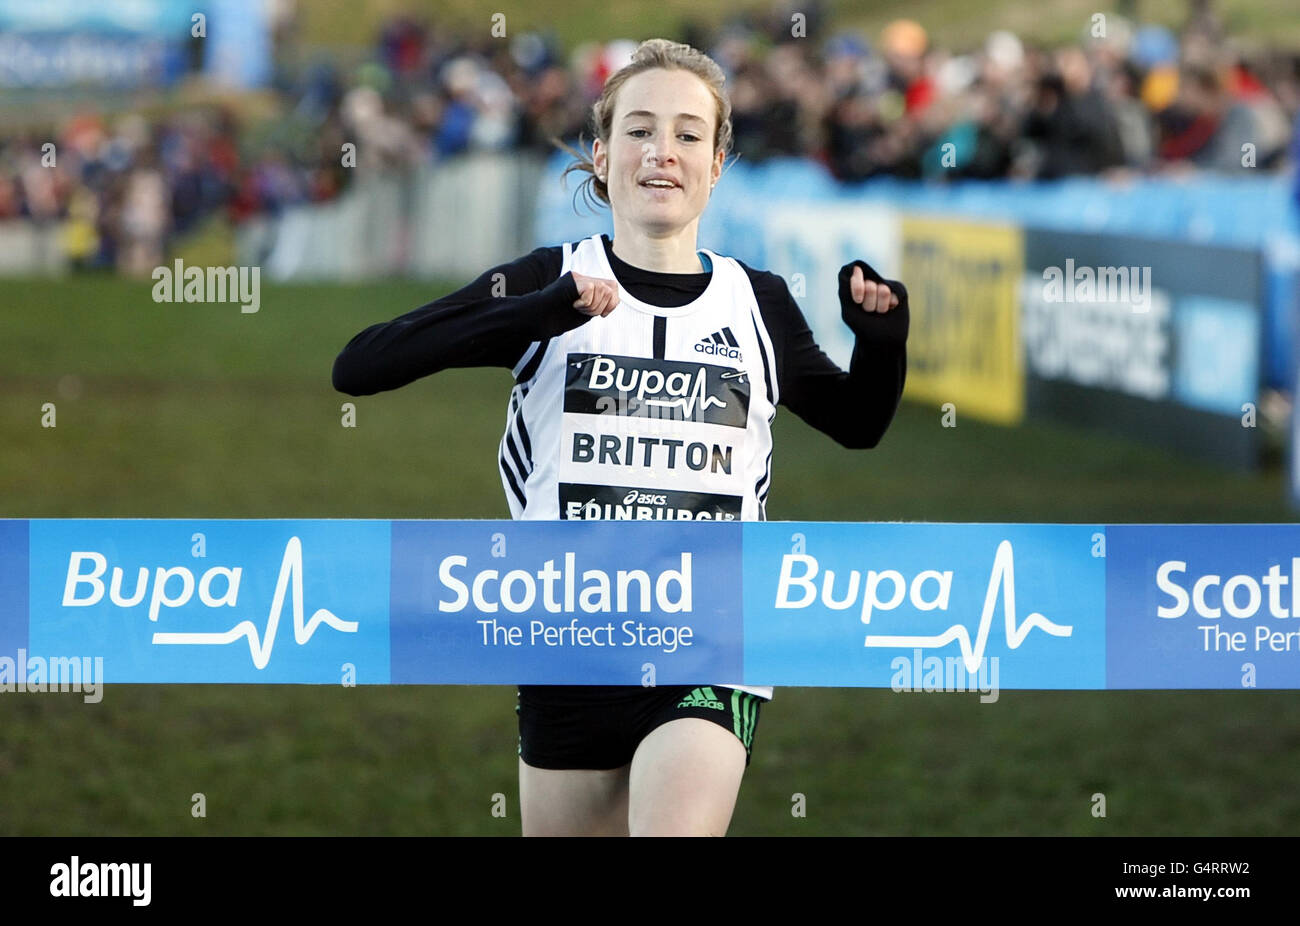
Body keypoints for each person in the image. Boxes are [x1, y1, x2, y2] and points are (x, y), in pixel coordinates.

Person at [332, 38, 909, 836]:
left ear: (716, 163)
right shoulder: (547, 277)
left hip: (713, 637)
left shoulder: (758, 302)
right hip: (567, 636)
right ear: (601, 159)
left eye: (686, 134)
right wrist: (533, 314)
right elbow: (362, 366)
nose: (661, 152)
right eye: (639, 131)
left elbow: (860, 424)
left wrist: (880, 343)